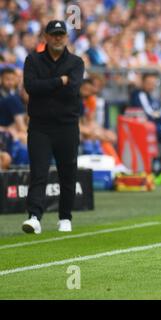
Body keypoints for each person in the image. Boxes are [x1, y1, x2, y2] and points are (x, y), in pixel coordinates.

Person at [21, 20, 84, 234]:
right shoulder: (33, 60)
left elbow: (72, 90)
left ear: (66, 37)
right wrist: (60, 81)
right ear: (46, 37)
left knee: (68, 172)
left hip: (67, 125)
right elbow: (31, 87)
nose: (58, 38)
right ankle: (34, 217)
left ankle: (65, 217)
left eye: (61, 34)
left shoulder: (76, 62)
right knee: (38, 171)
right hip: (40, 126)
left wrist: (48, 84)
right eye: (54, 34)